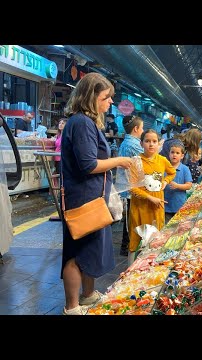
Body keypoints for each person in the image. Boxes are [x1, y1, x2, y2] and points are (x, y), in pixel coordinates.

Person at [60, 72, 133, 315]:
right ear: (91, 97)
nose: (110, 102)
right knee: (76, 251)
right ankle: (72, 307)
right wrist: (119, 160)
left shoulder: (86, 122)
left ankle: (88, 295)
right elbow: (88, 164)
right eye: (106, 97)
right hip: (82, 198)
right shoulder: (81, 123)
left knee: (90, 250)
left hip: (91, 196)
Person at [128, 129, 176, 265]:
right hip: (139, 208)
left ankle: (151, 268)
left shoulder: (162, 160)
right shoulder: (136, 161)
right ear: (141, 143)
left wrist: (166, 181)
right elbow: (132, 187)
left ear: (158, 144)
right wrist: (150, 198)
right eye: (147, 141)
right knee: (136, 239)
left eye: (154, 141)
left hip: (157, 207)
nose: (151, 144)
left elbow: (172, 173)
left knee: (155, 239)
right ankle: (129, 272)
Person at [116, 115, 144, 257]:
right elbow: (146, 158)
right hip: (130, 187)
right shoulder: (133, 145)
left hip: (127, 186)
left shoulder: (126, 142)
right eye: (142, 128)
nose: (142, 130)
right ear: (136, 128)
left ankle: (125, 246)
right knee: (131, 218)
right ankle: (127, 247)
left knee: (129, 218)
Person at [163, 143, 193, 224]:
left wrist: (177, 186)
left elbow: (189, 185)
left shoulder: (185, 169)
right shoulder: (164, 168)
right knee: (166, 229)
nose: (174, 155)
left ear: (182, 156)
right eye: (172, 152)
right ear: (169, 154)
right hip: (165, 207)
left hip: (179, 206)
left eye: (177, 153)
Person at [52, 118, 67, 189]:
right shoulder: (58, 135)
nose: (60, 125)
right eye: (60, 123)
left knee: (62, 177)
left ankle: (62, 194)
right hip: (56, 158)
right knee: (57, 175)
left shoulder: (66, 135)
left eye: (62, 123)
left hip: (62, 159)